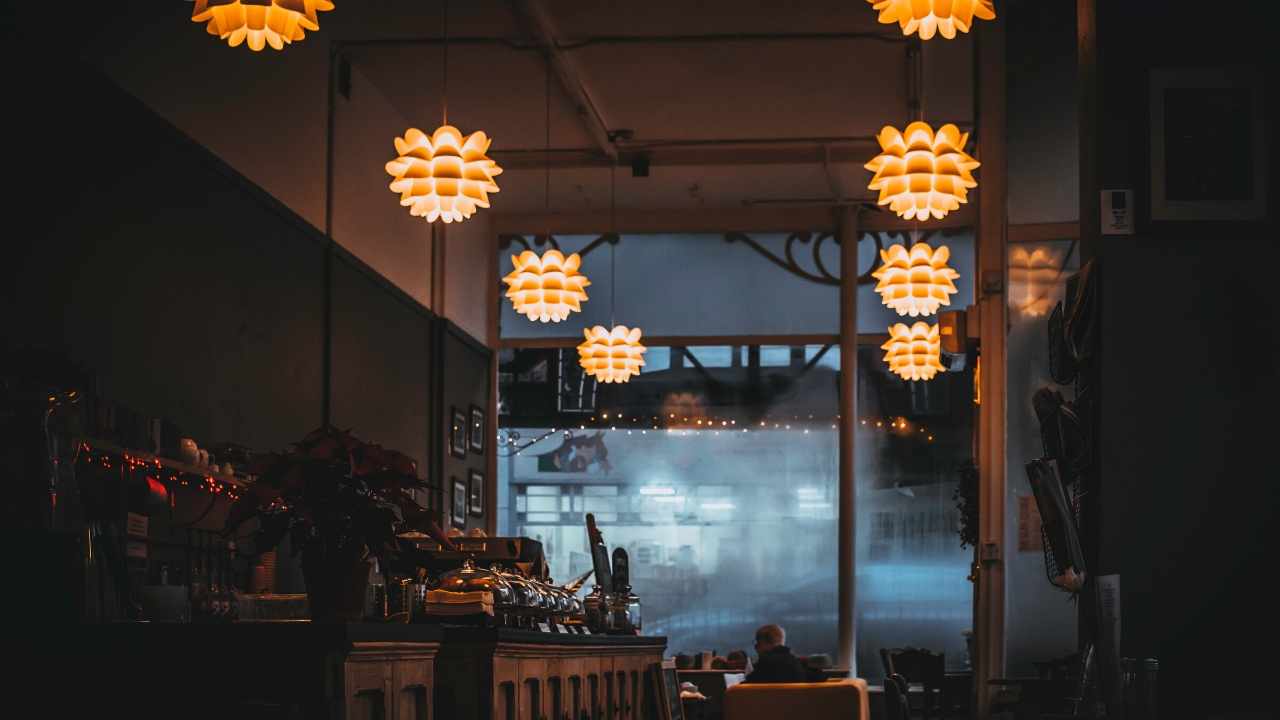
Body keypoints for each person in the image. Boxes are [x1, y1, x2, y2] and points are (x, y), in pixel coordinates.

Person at [742, 624, 824, 684]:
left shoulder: (765, 664)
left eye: (757, 643)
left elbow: (746, 688)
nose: (756, 647)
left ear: (764, 642)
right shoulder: (797, 664)